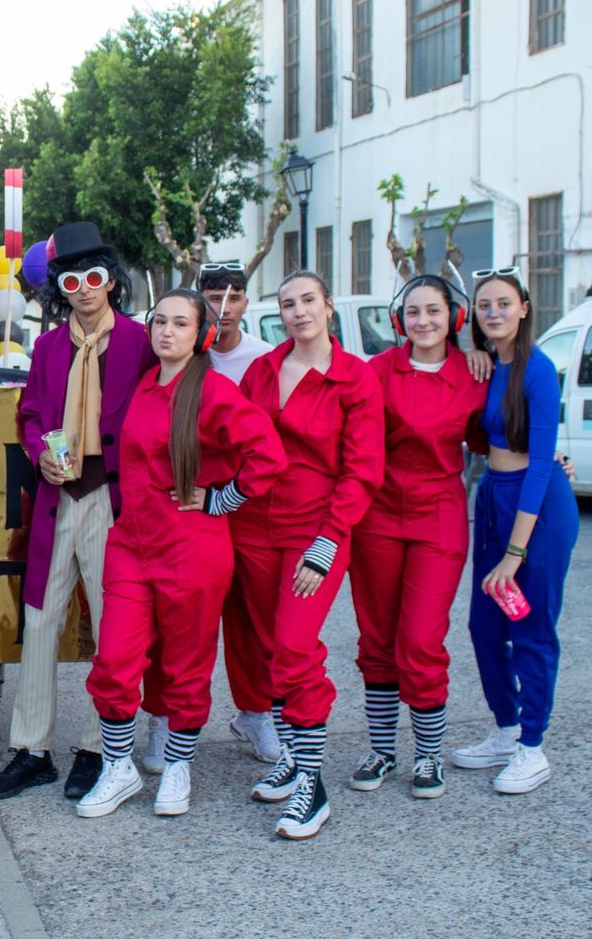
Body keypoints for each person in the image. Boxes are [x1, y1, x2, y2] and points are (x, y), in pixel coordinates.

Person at [77, 290, 286, 818]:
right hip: (131, 544)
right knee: (115, 661)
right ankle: (119, 767)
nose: (167, 332)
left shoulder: (213, 390)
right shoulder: (143, 386)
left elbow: (268, 455)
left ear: (201, 336)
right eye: (160, 322)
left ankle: (177, 767)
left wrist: (221, 499)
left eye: (180, 324)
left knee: (188, 667)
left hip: (193, 548)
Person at [0, 222, 158, 803]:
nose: (84, 289)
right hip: (59, 498)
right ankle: (31, 750)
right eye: (72, 280)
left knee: (114, 626)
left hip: (114, 498)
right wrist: (40, 454)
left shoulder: (139, 340)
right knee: (40, 622)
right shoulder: (50, 346)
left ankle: (99, 749)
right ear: (60, 286)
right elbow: (30, 414)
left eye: (95, 278)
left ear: (111, 281)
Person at [233, 270, 384, 840]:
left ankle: (312, 787)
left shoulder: (356, 379)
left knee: (296, 647)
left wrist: (328, 539)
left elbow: (363, 469)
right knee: (272, 647)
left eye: (308, 302)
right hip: (253, 529)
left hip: (316, 531)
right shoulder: (262, 369)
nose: (298, 312)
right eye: (288, 304)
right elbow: (237, 441)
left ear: (328, 307)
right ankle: (294, 758)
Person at [347, 276, 488, 800]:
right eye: (412, 312)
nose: (422, 321)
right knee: (377, 639)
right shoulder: (375, 373)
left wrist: (553, 460)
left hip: (438, 516)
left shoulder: (476, 374)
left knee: (422, 640)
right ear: (397, 320)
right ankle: (383, 749)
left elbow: (496, 436)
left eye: (433, 311)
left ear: (455, 317)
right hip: (377, 516)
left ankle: (429, 755)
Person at [450, 269, 579, 795]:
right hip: (495, 497)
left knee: (532, 627)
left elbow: (543, 462)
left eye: (504, 303)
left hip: (538, 506)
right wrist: (469, 354)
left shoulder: (538, 370)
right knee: (485, 626)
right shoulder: (485, 367)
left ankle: (533, 747)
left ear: (524, 308)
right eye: (484, 306)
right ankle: (507, 728)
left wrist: (515, 551)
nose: (494, 313)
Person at [196, 260, 283, 771]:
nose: (223, 307)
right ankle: (170, 718)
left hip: (249, 508)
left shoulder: (265, 359)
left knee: (254, 619)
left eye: (234, 296)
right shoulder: (184, 350)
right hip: (189, 504)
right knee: (190, 621)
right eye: (212, 296)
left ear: (247, 303)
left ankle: (256, 712)